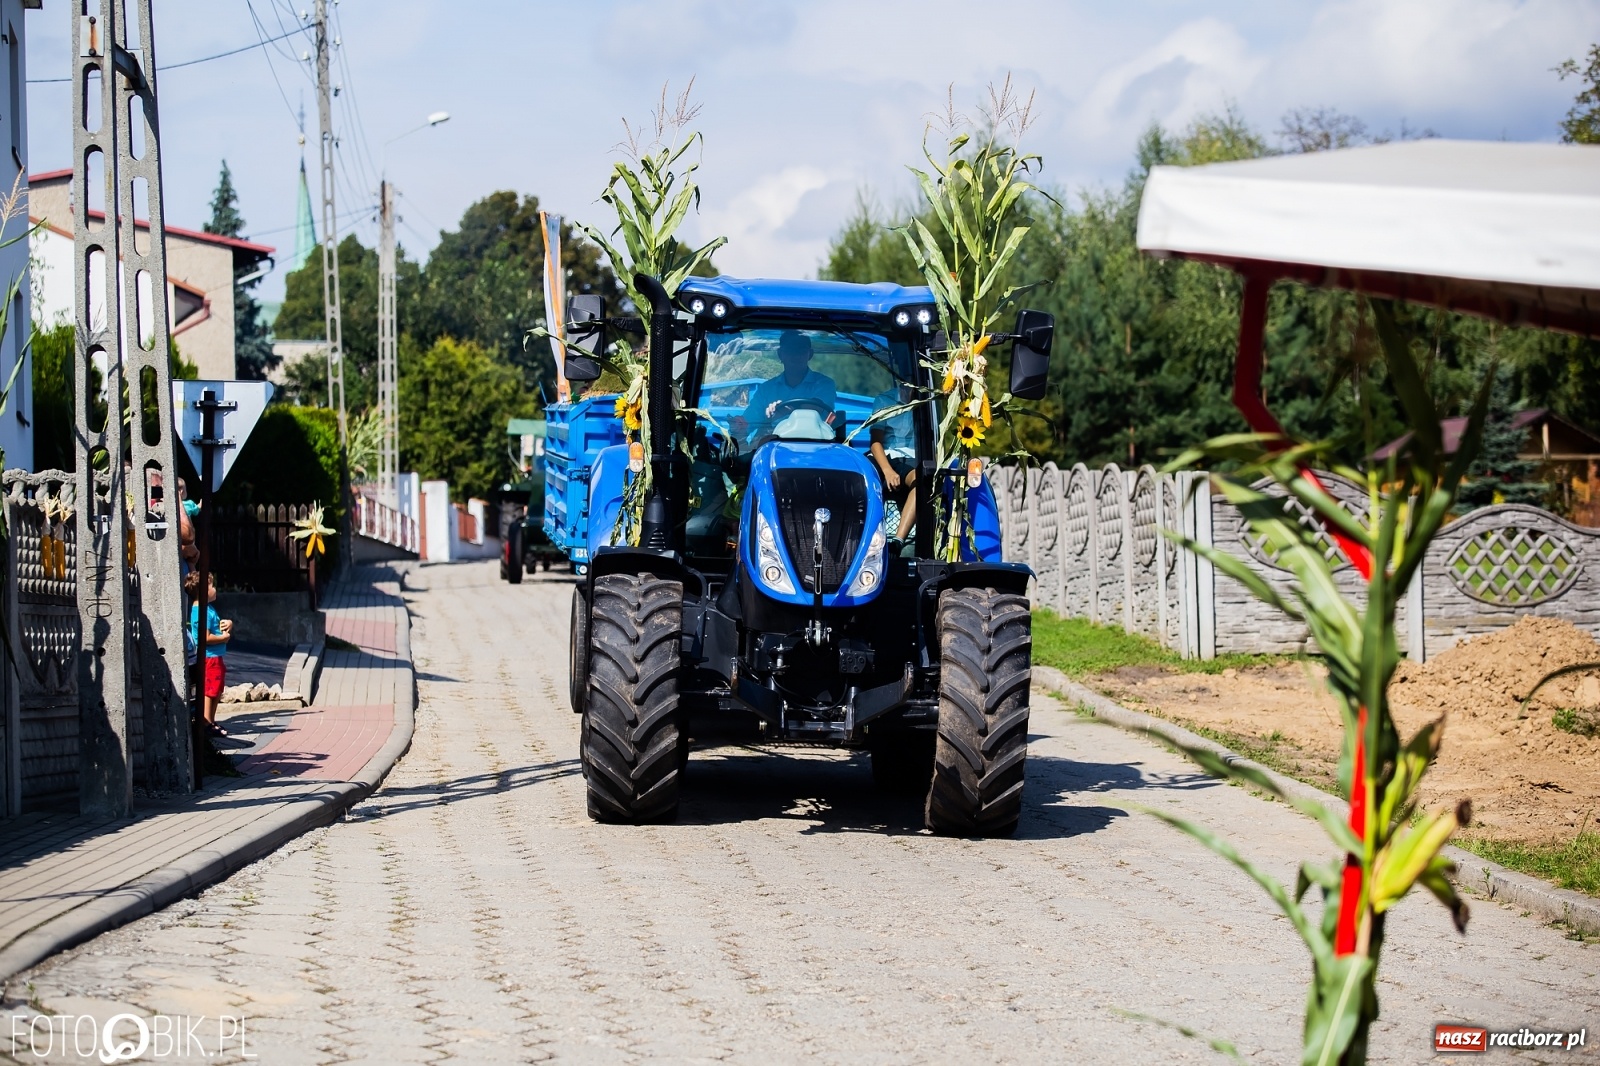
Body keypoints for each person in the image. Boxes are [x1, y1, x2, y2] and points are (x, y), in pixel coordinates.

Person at [728, 330, 837, 443]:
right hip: (773, 445)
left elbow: (816, 406)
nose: (796, 356)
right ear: (780, 354)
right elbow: (748, 422)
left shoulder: (824, 384)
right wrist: (738, 425)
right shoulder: (766, 389)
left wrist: (783, 410)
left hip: (817, 444)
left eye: (801, 350)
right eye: (790, 350)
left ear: (810, 354)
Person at [868, 385, 918, 542]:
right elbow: (875, 442)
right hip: (885, 454)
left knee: (921, 480)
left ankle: (899, 540)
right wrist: (888, 471)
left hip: (912, 457)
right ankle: (867, 536)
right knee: (865, 477)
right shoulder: (884, 400)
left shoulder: (926, 402)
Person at [185, 571, 232, 734]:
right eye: (212, 586)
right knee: (209, 690)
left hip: (216, 656)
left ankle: (211, 721)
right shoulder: (200, 611)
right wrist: (223, 638)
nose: (215, 589)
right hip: (209, 657)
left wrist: (228, 624)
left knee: (216, 689)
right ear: (203, 590)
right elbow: (204, 638)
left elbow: (215, 626)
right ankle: (206, 722)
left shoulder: (208, 608)